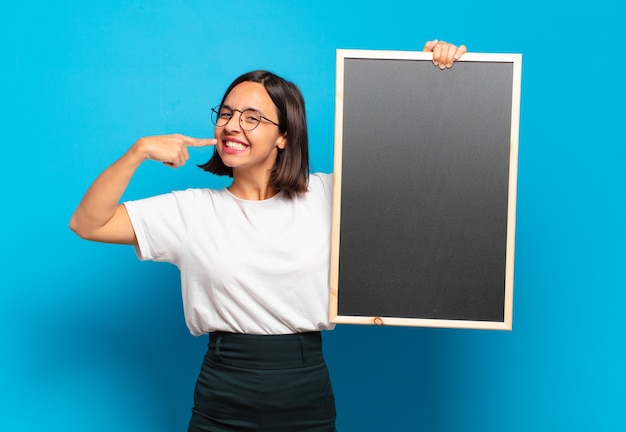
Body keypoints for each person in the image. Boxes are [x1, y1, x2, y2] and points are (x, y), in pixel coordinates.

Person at [69, 40, 467, 432]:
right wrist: (136, 152)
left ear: (284, 136)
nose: (232, 125)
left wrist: (431, 73)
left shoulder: (330, 195)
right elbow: (88, 224)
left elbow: (423, 177)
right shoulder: (190, 209)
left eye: (251, 117)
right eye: (226, 113)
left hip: (304, 384)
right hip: (222, 387)